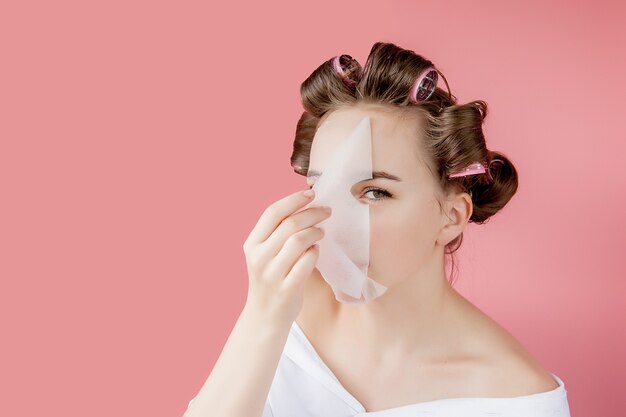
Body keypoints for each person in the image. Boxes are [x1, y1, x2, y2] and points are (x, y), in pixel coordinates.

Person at [183, 42, 571, 417]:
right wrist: (263, 314)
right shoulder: (285, 311)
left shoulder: (515, 399)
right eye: (320, 187)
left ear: (451, 217)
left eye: (374, 192)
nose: (334, 218)